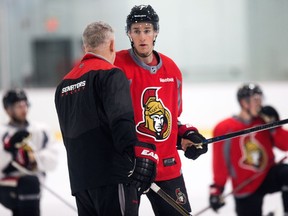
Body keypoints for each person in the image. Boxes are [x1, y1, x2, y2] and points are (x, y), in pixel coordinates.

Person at [54, 21, 158, 216]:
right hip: (113, 176)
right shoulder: (111, 74)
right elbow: (121, 120)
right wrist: (138, 154)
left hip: (81, 182)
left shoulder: (63, 85)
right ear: (112, 45)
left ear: (85, 47)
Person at [114, 5, 208, 215]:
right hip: (130, 167)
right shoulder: (117, 65)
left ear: (156, 32)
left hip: (166, 164)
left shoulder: (172, 70)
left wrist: (187, 134)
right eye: (136, 30)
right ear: (128, 33)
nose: (142, 36)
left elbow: (173, 119)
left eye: (147, 30)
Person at [209, 83, 288, 216]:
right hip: (244, 184)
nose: (259, 103)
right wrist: (217, 189)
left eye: (260, 99)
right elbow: (220, 162)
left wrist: (275, 126)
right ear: (244, 103)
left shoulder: (263, 121)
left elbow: (285, 145)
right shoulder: (225, 128)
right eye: (255, 100)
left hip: (266, 174)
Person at [0, 88, 58, 216]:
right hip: (7, 186)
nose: (23, 108)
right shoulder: (1, 132)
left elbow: (52, 161)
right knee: (29, 183)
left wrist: (33, 159)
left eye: (25, 104)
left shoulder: (40, 130)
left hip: (33, 184)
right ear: (8, 109)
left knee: (30, 183)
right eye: (18, 105)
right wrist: (10, 149)